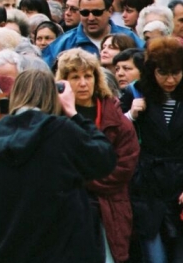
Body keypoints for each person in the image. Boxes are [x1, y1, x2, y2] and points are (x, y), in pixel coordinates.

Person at [0, 69, 117, 262]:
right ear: (52, 94)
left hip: (2, 245)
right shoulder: (62, 131)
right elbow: (104, 159)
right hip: (59, 247)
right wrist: (74, 113)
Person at [56, 48, 139, 263]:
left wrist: (82, 179)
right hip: (67, 211)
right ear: (63, 82)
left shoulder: (116, 118)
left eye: (88, 76)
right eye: (75, 77)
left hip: (109, 207)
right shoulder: (54, 117)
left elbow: (124, 167)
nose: (83, 83)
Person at [120, 37, 183, 262]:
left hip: (179, 183)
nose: (170, 79)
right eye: (163, 73)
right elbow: (114, 133)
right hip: (147, 184)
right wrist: (130, 116)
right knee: (154, 255)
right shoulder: (135, 92)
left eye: (176, 72)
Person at [43, 0, 144, 66]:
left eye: (97, 12)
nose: (91, 18)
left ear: (109, 11)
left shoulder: (130, 38)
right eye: (85, 13)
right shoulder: (64, 43)